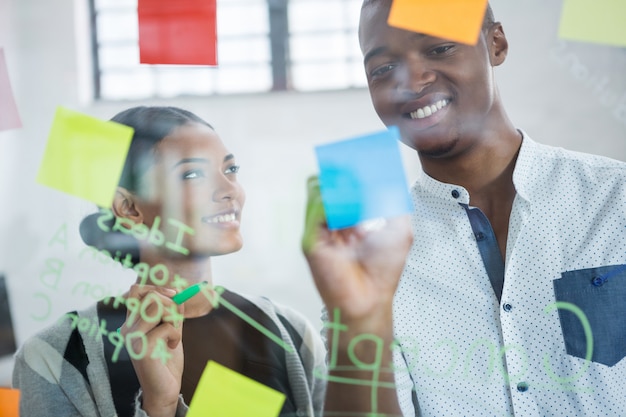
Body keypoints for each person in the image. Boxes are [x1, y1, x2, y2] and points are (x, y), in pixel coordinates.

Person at [303, 1, 626, 416]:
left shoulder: (615, 198)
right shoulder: (371, 249)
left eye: (439, 49)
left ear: (496, 43)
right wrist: (359, 316)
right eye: (382, 69)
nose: (413, 80)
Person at [13, 106, 326, 417]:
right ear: (128, 207)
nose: (231, 190)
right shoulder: (52, 358)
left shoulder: (290, 331)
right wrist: (159, 406)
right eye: (192, 174)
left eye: (230, 170)